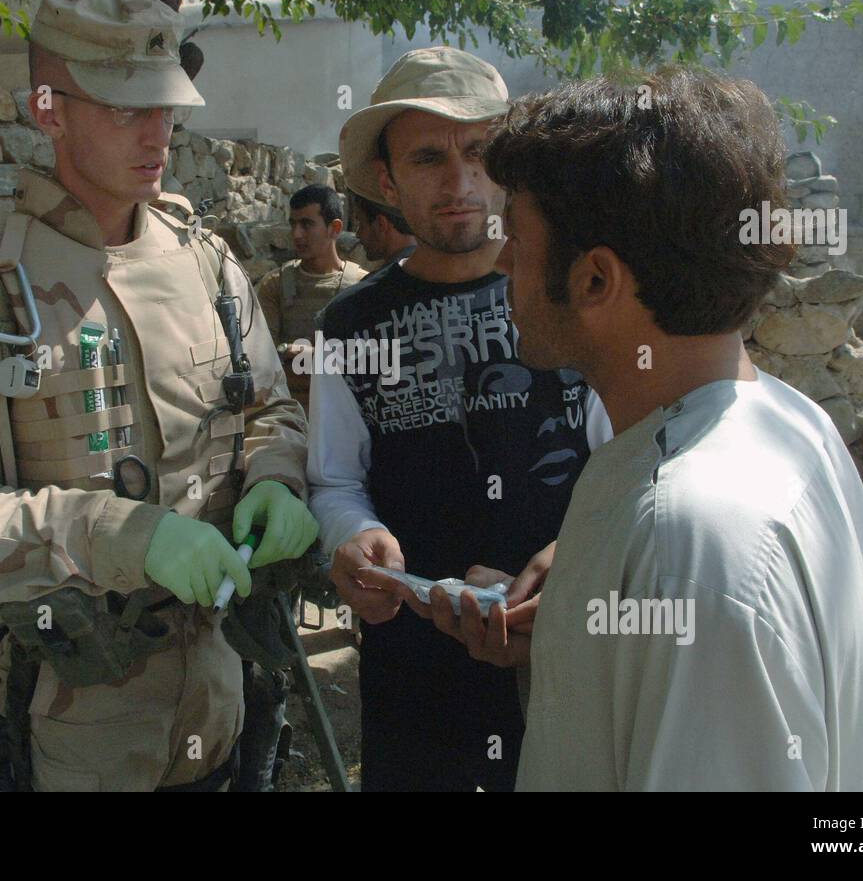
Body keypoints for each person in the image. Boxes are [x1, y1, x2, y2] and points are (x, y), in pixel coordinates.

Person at [0, 0, 317, 792]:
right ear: (49, 109)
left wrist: (275, 476)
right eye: (126, 106)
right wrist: (120, 534)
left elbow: (269, 408)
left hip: (224, 695)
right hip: (80, 726)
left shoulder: (208, 263)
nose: (158, 130)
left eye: (164, 104)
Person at [431, 68, 863, 791]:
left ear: (594, 281)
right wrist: (575, 636)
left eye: (515, 235)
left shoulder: (689, 541)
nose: (502, 261)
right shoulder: (793, 425)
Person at [308, 46, 610, 792]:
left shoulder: (579, 297)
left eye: (479, 153)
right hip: (412, 670)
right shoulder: (348, 326)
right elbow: (334, 477)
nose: (459, 182)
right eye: (427, 158)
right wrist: (350, 534)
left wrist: (575, 557)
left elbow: (631, 462)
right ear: (385, 180)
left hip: (566, 652)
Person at [257, 184, 367, 411]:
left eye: (307, 224)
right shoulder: (275, 285)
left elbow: (374, 363)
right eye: (293, 224)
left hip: (343, 414)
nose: (297, 234)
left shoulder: (361, 286)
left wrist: (313, 358)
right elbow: (262, 361)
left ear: (334, 228)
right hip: (288, 416)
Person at [350, 191, 416, 274]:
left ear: (381, 224)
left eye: (361, 224)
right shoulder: (431, 270)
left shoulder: (382, 283)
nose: (358, 234)